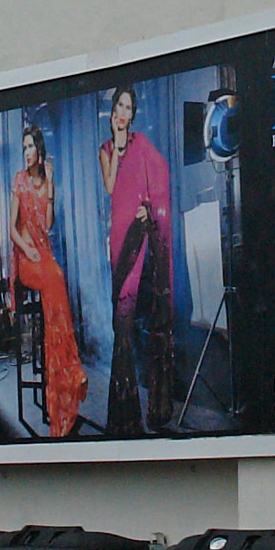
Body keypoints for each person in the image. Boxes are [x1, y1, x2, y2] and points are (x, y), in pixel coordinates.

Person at [98, 85, 173, 434]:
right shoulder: (105, 149)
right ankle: (125, 415)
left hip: (143, 230)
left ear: (133, 113)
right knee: (123, 321)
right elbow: (112, 187)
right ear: (114, 112)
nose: (124, 112)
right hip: (120, 239)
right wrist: (117, 143)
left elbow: (159, 179)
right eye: (120, 106)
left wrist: (148, 206)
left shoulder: (143, 145)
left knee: (153, 309)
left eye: (129, 107)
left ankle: (158, 407)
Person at [10, 121, 88, 438]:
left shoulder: (44, 183)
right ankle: (70, 367)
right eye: (24, 147)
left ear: (40, 151)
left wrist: (51, 188)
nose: (27, 153)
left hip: (44, 255)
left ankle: (64, 368)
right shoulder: (19, 180)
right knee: (54, 278)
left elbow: (49, 223)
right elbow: (12, 228)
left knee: (57, 276)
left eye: (31, 147)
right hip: (26, 259)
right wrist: (25, 247)